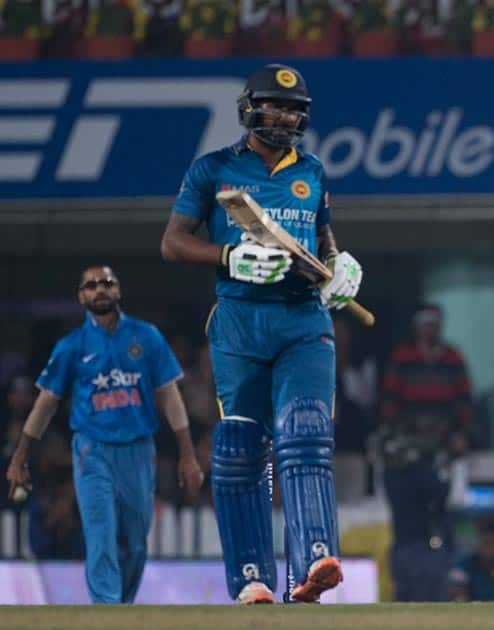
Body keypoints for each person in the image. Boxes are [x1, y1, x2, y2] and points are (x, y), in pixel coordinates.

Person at [160, 63, 363, 605]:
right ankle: (251, 577)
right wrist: (230, 255)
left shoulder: (313, 170)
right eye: (276, 105)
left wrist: (339, 267)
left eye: (296, 108)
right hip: (239, 322)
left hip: (302, 320)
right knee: (241, 447)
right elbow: (173, 243)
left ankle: (314, 560)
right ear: (250, 107)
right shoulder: (214, 169)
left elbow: (321, 240)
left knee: (304, 431)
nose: (287, 115)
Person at [4, 265, 202, 603]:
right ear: (81, 296)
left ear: (119, 291)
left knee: (136, 541)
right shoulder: (72, 346)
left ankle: (120, 608)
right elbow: (46, 402)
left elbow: (169, 395)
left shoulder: (146, 336)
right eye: (91, 285)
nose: (100, 289)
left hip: (138, 451)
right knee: (101, 534)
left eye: (107, 283)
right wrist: (21, 454)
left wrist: (187, 453)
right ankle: (105, 611)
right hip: (92, 450)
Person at [379, 304, 473, 601]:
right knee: (408, 527)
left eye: (434, 323)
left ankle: (440, 590)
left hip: (441, 455)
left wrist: (458, 436)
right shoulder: (402, 357)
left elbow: (464, 403)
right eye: (424, 323)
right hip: (405, 457)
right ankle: (406, 591)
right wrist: (402, 438)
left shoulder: (452, 357)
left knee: (441, 522)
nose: (429, 328)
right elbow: (389, 404)